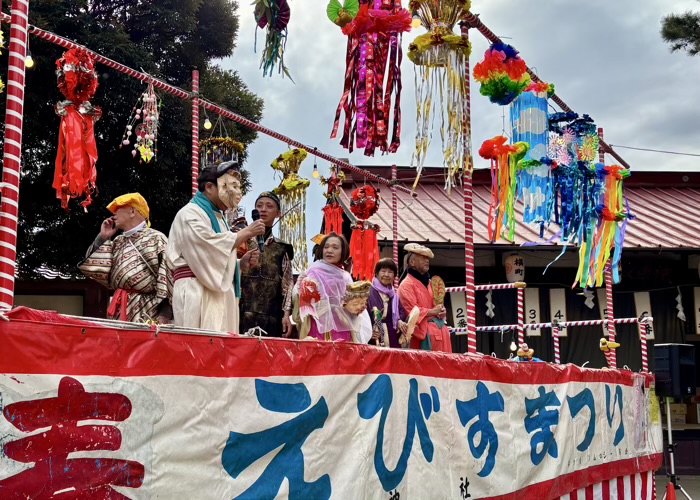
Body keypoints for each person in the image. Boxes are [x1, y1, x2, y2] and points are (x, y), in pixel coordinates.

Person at [166, 161, 265, 332]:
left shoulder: (219, 217)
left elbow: (217, 255)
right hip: (197, 290)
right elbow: (207, 247)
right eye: (227, 187)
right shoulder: (190, 214)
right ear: (210, 187)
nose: (234, 193)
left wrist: (240, 264)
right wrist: (245, 233)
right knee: (199, 351)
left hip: (217, 293)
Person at [80, 193, 172, 323]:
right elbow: (96, 270)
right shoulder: (118, 241)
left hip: (148, 310)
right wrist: (102, 237)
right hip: (119, 306)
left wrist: (165, 315)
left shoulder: (157, 238)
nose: (113, 214)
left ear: (132, 211)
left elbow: (168, 279)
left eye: (117, 209)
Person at [294, 232, 371, 343]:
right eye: (326, 247)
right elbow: (303, 299)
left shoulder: (345, 276)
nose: (329, 250)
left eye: (335, 247)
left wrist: (356, 307)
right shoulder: (313, 271)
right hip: (318, 326)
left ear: (342, 252)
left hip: (343, 327)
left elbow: (349, 302)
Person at [239, 191, 294, 337]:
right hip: (239, 312)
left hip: (271, 316)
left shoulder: (282, 248)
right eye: (259, 206)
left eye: (269, 206)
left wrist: (287, 314)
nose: (263, 209)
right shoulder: (241, 241)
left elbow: (287, 285)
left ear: (278, 213)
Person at [398, 243, 452, 353]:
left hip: (441, 332)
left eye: (427, 258)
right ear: (412, 262)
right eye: (423, 257)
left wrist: (442, 311)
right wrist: (432, 311)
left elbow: (438, 304)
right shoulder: (406, 285)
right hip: (423, 335)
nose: (427, 260)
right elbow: (412, 312)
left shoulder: (431, 283)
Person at [367, 258, 408, 348]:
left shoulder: (394, 295)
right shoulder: (368, 292)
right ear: (376, 273)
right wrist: (369, 331)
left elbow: (401, 312)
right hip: (375, 337)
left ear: (394, 276)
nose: (386, 275)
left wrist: (399, 321)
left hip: (392, 336)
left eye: (390, 272)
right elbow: (363, 315)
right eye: (383, 271)